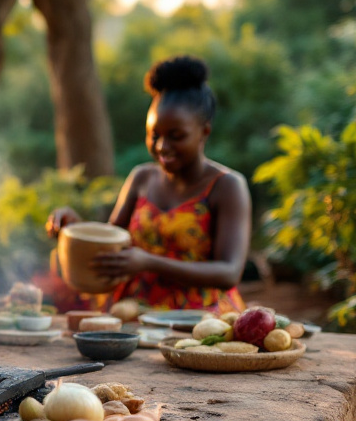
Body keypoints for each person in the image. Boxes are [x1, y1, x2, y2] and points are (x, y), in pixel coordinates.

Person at [46, 55, 250, 313]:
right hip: (132, 313)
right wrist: (74, 228)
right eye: (154, 135)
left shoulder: (227, 186)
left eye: (176, 136)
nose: (162, 147)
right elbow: (110, 242)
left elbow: (229, 273)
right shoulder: (142, 178)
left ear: (204, 131)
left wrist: (148, 262)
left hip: (199, 321)